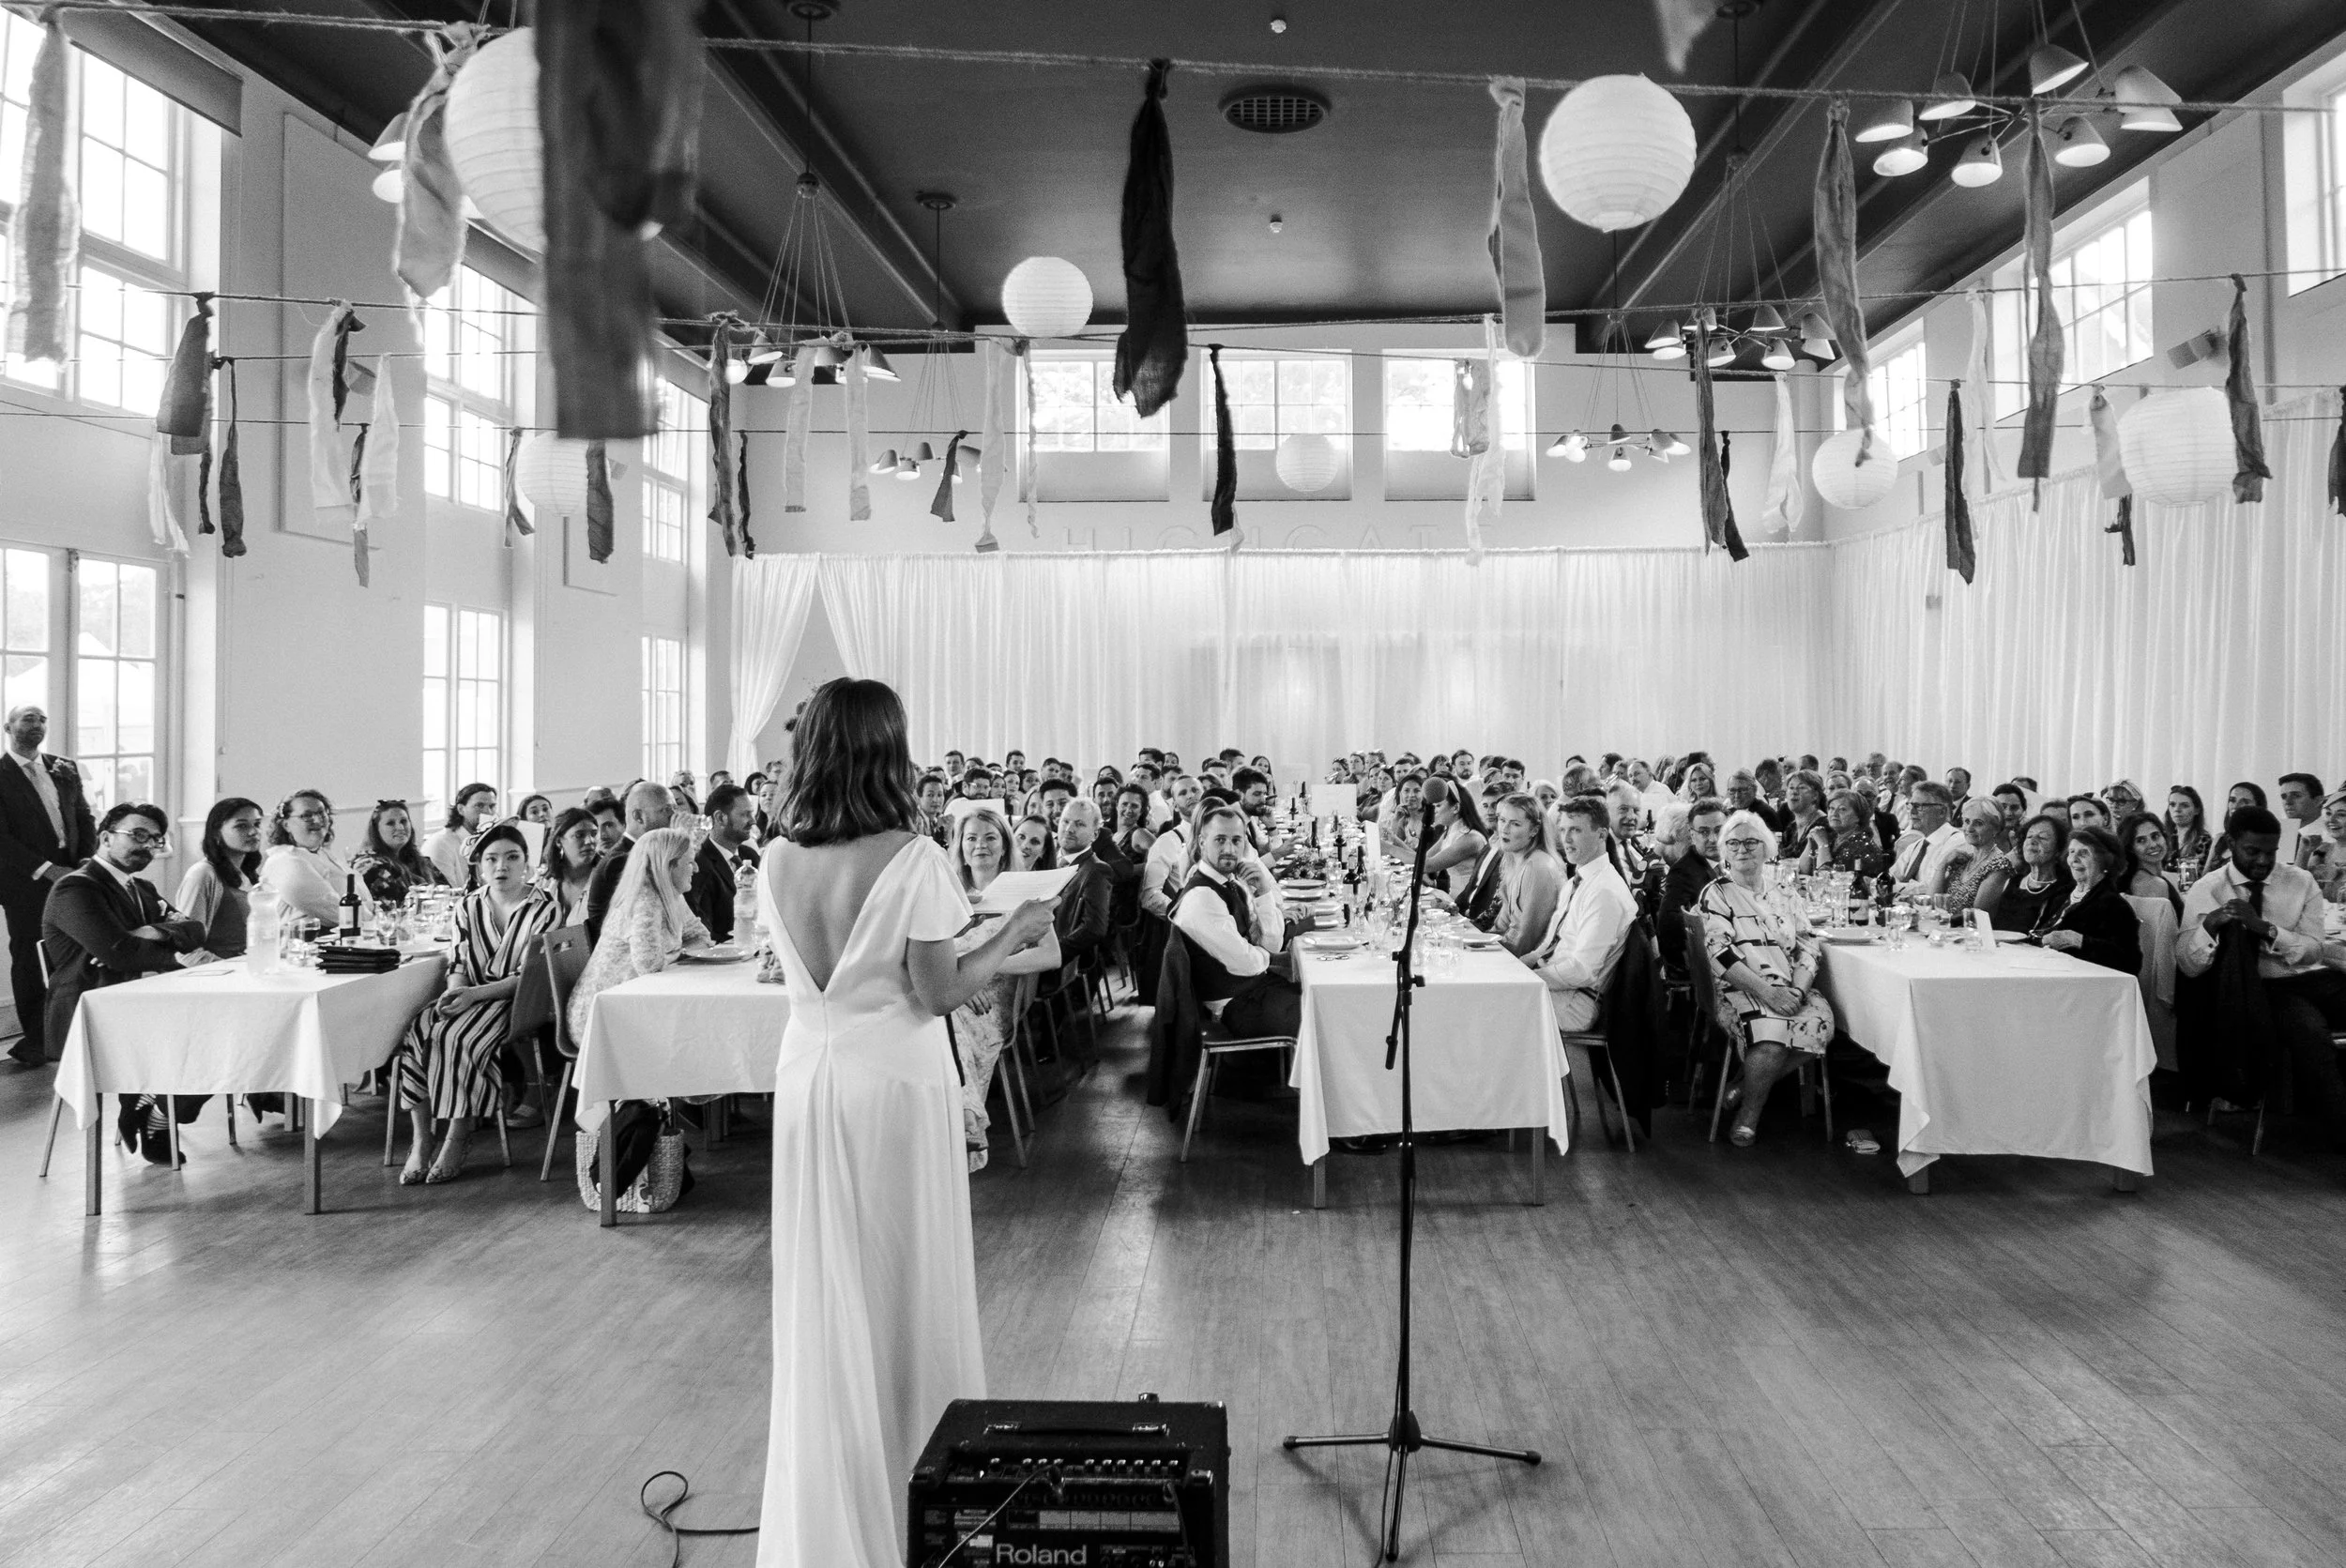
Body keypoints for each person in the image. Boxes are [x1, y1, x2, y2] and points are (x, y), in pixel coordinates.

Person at [754, 678, 1055, 1566]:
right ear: (887, 747)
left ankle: (832, 1508)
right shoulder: (914, 856)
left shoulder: (776, 856)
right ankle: (915, 1501)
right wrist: (1017, 928)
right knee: (903, 1282)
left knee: (826, 1287)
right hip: (890, 1084)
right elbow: (939, 991)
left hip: (810, 1080)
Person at [389, 823, 559, 1184]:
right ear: (479, 866)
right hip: (469, 994)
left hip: (514, 1002)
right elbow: (459, 963)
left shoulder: (545, 909)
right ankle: (422, 1139)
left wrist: (473, 996)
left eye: (512, 857)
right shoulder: (468, 905)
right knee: (417, 1031)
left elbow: (527, 977)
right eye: (492, 859)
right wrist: (455, 992)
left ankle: (457, 1135)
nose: (502, 867)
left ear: (526, 863)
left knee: (456, 1037)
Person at [43, 802, 207, 1163]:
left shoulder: (143, 889)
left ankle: (154, 1111)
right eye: (138, 835)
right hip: (91, 1013)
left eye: (154, 839)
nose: (147, 845)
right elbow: (120, 953)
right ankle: (153, 1110)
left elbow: (197, 930)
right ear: (105, 838)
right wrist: (172, 951)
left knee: (224, 1031)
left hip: (144, 1004)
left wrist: (150, 931)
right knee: (208, 1036)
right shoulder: (76, 888)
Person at [2178, 805, 2346, 1144]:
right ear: (2231, 844)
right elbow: (2188, 964)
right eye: (2252, 851)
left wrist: (2266, 929)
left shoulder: (2299, 881)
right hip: (2259, 989)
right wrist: (2211, 925)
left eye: (2271, 852)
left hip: (2310, 977)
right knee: (2310, 1032)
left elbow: (2314, 950)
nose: (2263, 861)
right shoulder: (2209, 889)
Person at [1695, 810, 1836, 1148]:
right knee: (1771, 1040)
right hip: (1739, 987)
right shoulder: (1716, 893)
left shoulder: (1785, 892)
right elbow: (1719, 954)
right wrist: (1768, 993)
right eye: (1733, 843)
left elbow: (1807, 944)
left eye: (1750, 842)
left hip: (1789, 985)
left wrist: (1797, 990)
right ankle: (1749, 1114)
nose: (1742, 849)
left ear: (1767, 848)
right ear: (1725, 851)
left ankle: (1743, 1085)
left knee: (1822, 1026)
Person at [946, 808, 1061, 1170]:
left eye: (989, 837)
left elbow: (1052, 955)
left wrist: (982, 968)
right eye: (971, 838)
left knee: (945, 1017)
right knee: (935, 1015)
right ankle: (958, 1119)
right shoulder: (949, 894)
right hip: (954, 992)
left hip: (994, 1004)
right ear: (961, 848)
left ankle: (964, 1121)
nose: (980, 845)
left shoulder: (1023, 895)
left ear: (1004, 846)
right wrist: (961, 981)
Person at [0, 703, 96, 1065]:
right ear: (8, 727)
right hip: (24, 882)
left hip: (72, 873)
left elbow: (83, 816)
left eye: (42, 719)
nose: (38, 724)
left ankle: (70, 1030)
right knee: (29, 957)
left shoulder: (63, 768)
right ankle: (37, 1040)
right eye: (28, 718)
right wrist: (46, 869)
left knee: (75, 950)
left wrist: (85, 860)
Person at [1170, 803, 1301, 1044]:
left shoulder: (1232, 883)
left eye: (1236, 840)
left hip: (1255, 989)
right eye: (1220, 840)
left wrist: (1263, 892)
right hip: (1234, 1006)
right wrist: (1269, 956)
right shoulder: (1202, 897)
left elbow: (1272, 944)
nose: (1230, 849)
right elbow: (1247, 964)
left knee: (1322, 997)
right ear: (1202, 842)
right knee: (1320, 1015)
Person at [1523, 796, 1638, 1031]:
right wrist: (1520, 965)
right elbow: (1549, 944)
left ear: (1602, 835)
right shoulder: (1577, 881)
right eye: (1563, 829)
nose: (1565, 839)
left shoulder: (1604, 892)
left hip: (1576, 1002)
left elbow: (1583, 970)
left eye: (1575, 830)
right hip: (1557, 987)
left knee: (1489, 1007)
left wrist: (1530, 979)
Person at [2033, 826, 2141, 973]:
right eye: (2072, 852)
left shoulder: (2113, 905)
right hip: (2044, 970)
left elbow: (2130, 962)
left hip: (2081, 980)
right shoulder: (2060, 895)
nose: (2074, 860)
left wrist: (2077, 940)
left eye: (2084, 853)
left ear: (2105, 861)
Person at [585, 780, 675, 945]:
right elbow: (646, 922)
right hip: (622, 952)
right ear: (639, 816)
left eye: (675, 809)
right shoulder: (620, 861)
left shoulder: (640, 852)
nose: (674, 816)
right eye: (666, 810)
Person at [175, 798, 266, 961]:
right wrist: (231, 970)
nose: (254, 832)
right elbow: (186, 951)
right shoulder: (203, 874)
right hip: (221, 972)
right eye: (241, 826)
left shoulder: (250, 875)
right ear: (217, 832)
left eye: (257, 824)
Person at [258, 789, 351, 929]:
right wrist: (371, 920)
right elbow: (336, 913)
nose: (317, 820)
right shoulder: (285, 861)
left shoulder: (324, 855)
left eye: (321, 813)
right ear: (286, 825)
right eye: (307, 816)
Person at [1485, 793, 1563, 957]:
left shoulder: (1538, 866)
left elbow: (1526, 940)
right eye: (1502, 820)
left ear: (1534, 830)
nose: (1504, 829)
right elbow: (1500, 926)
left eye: (1515, 824)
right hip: (1506, 952)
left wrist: (1486, 956)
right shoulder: (1513, 860)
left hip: (1527, 964)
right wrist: (1477, 945)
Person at [690, 782, 762, 941]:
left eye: (752, 813)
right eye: (745, 814)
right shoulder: (699, 864)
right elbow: (705, 931)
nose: (753, 821)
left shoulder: (750, 855)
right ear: (720, 818)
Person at [1048, 798, 1114, 967]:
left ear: (1095, 834)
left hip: (1061, 959)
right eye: (1065, 821)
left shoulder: (1097, 870)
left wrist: (1052, 954)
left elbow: (1094, 929)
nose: (1069, 829)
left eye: (1080, 824)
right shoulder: (1046, 857)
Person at [1981, 814, 2072, 934]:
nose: (2032, 841)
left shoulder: (2064, 890)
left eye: (2042, 837)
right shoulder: (2012, 881)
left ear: (2058, 850)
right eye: (2029, 836)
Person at [350, 799, 445, 909]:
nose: (400, 827)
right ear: (376, 830)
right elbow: (392, 910)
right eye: (390, 823)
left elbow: (447, 896)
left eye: (403, 821)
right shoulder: (371, 866)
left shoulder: (422, 862)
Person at [1888, 782, 1962, 897]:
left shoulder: (1956, 843)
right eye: (1910, 805)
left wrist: (1893, 887)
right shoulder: (1916, 845)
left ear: (1942, 812)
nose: (1912, 812)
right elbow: (1890, 877)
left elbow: (1934, 888)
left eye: (1919, 806)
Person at [1419, 776, 1488, 898]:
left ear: (1455, 808)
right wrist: (1394, 840)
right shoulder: (1450, 831)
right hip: (1454, 897)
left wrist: (1391, 847)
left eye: (1438, 806)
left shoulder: (1470, 838)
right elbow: (1422, 859)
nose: (1434, 811)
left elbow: (1427, 866)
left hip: (1468, 902)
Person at [423, 783, 498, 888]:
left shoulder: (489, 841)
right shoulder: (441, 843)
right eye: (479, 806)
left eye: (492, 806)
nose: (488, 812)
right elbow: (446, 891)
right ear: (461, 809)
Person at [1942, 797, 2011, 912]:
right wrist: (1942, 865)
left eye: (1978, 823)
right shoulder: (1963, 859)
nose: (1969, 828)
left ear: (1995, 828)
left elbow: (1977, 915)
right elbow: (1933, 901)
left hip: (1967, 924)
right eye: (1966, 821)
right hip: (1946, 922)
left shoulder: (1999, 865)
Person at [539, 806, 602, 926]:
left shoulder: (607, 879)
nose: (589, 841)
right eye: (579, 835)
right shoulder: (543, 883)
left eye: (594, 834)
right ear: (559, 841)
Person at [2115, 811, 2184, 913]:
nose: (2152, 845)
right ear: (2130, 848)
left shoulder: (2156, 877)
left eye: (2155, 836)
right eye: (2141, 840)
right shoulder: (2152, 884)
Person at [2205, 781, 2269, 876]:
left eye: (2245, 802)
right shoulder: (2220, 839)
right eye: (2232, 800)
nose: (2236, 806)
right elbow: (2203, 877)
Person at [2278, 772, 2328, 870]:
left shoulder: (2331, 834)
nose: (2288, 802)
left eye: (2296, 796)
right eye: (2284, 797)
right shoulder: (2285, 832)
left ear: (2318, 800)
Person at [2164, 785, 2213, 885]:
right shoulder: (2164, 836)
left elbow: (2188, 881)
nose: (2177, 809)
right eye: (2172, 804)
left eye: (2184, 805)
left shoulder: (2203, 839)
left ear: (2197, 810)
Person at [1779, 769, 1829, 865]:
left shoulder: (1824, 826)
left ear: (1815, 795)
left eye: (1801, 787)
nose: (1794, 792)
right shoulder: (1792, 827)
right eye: (1791, 787)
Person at [2308, 791, 2346, 901]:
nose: (2331, 820)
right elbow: (2297, 889)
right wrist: (2303, 851)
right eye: (2328, 813)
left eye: (2341, 814)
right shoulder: (2322, 850)